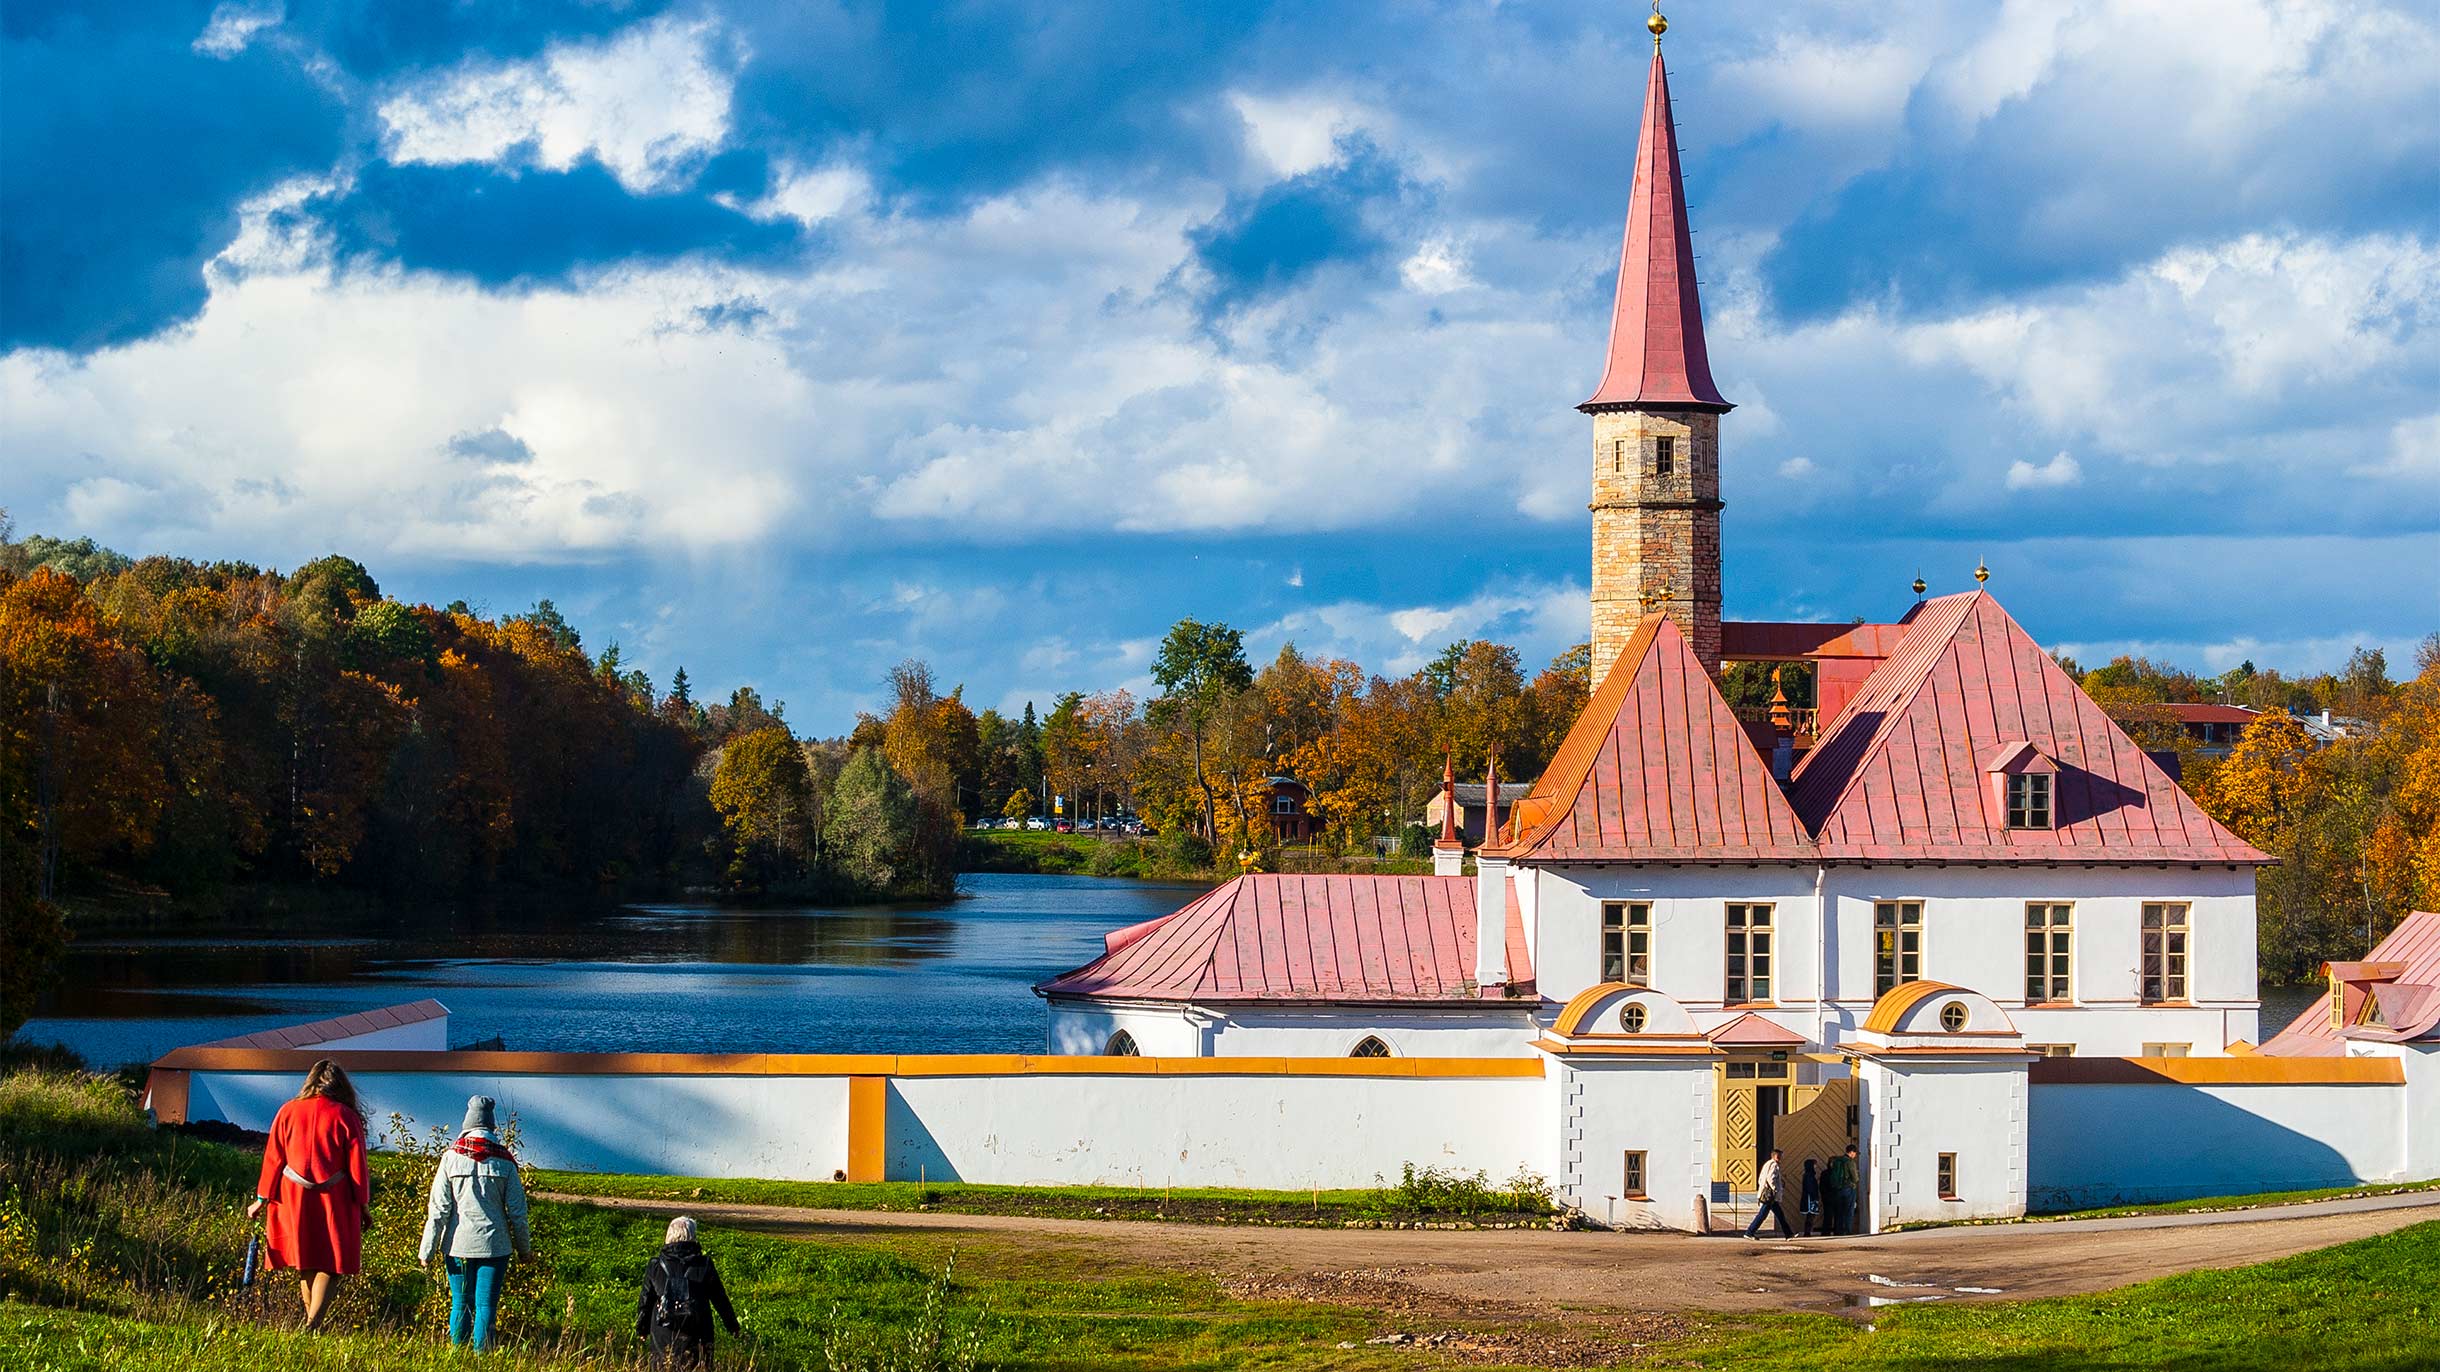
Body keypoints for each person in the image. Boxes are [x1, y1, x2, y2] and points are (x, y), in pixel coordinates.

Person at [247, 1059, 371, 1330]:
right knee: (332, 1262)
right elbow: (357, 1165)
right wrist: (362, 1204)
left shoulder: (287, 1111)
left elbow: (273, 1159)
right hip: (335, 1196)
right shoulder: (345, 1116)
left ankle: (311, 1324)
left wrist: (261, 1200)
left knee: (306, 1258)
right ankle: (314, 1324)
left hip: (292, 1195)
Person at [418, 1095, 532, 1352]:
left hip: (457, 1245)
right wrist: (524, 1249)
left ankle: (457, 1355)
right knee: (485, 1307)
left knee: (460, 1303)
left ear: (466, 1125)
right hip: (495, 1246)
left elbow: (438, 1209)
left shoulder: (451, 1157)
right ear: (492, 1127)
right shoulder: (505, 1160)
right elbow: (517, 1212)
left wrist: (427, 1250)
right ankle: (483, 1359)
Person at [637, 1216, 740, 1369]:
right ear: (693, 1236)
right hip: (698, 1331)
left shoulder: (656, 1265)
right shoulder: (704, 1264)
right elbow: (720, 1299)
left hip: (663, 1332)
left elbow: (646, 1300)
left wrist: (642, 1329)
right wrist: (733, 1326)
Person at [1743, 1147, 1792, 1239]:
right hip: (1770, 1195)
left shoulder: (1767, 1164)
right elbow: (1770, 1178)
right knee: (1763, 1215)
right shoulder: (1774, 1165)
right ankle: (1749, 1232)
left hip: (1767, 1193)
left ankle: (1789, 1234)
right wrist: (1775, 1189)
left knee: (1779, 1215)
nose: (1782, 1157)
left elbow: (1761, 1178)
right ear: (1776, 1156)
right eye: (1781, 1156)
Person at [1799, 1158, 1821, 1238]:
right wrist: (1814, 1197)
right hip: (1810, 1199)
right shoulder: (1809, 1176)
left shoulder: (1809, 1175)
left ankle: (1808, 1232)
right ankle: (1807, 1232)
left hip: (1810, 1198)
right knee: (1810, 1216)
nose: (1815, 1166)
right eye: (1814, 1165)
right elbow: (1810, 1188)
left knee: (1811, 1216)